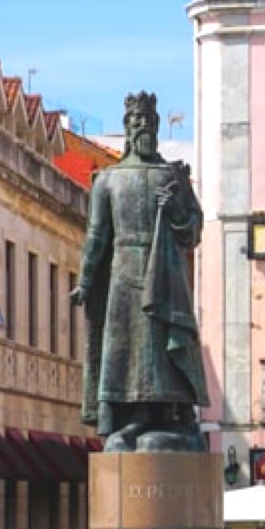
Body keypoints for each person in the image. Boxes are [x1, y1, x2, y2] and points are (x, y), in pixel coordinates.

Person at [75, 91, 209, 452]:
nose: (143, 127)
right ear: (126, 128)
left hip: (165, 272)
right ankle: (131, 415)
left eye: (149, 122)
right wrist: (85, 281)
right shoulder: (107, 180)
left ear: (157, 126)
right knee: (126, 348)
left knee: (163, 344)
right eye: (136, 122)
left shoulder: (172, 176)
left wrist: (178, 212)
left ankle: (170, 411)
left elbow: (195, 228)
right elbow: (97, 235)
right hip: (123, 272)